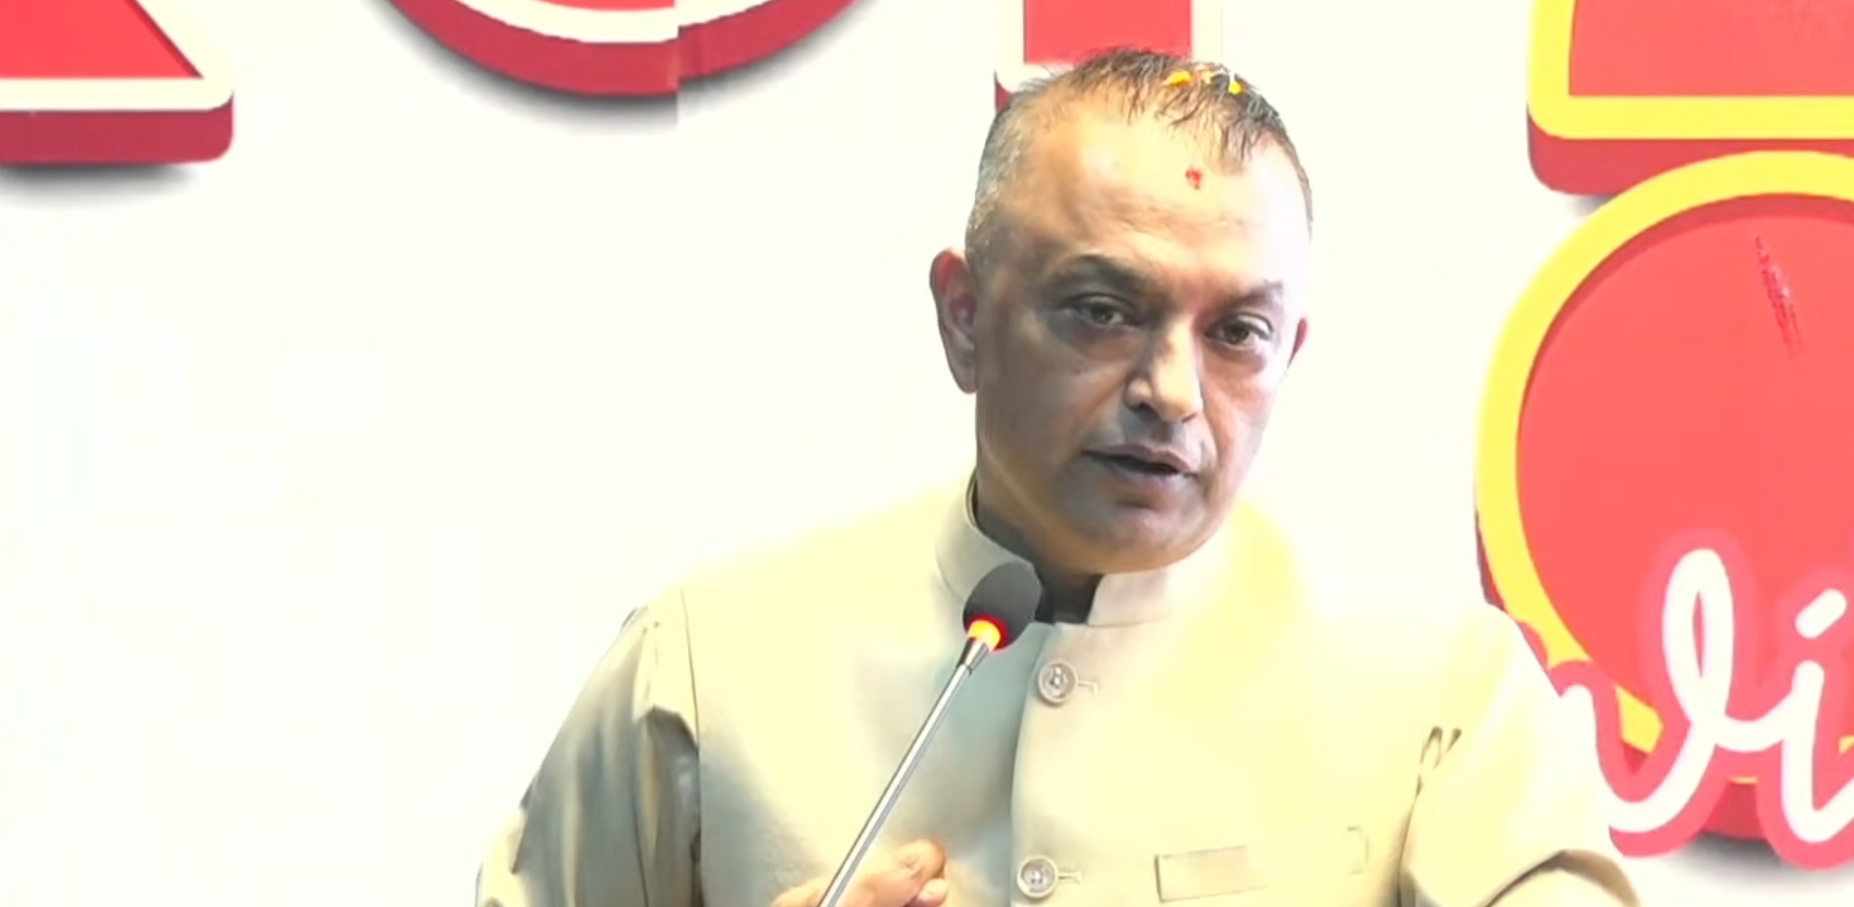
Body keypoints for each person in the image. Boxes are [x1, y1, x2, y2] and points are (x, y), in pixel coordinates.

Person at [474, 48, 1639, 907]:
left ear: (1291, 354)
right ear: (965, 317)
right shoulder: (708, 665)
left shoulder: (1444, 695)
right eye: (1102, 309)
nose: (1172, 392)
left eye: (1236, 333)